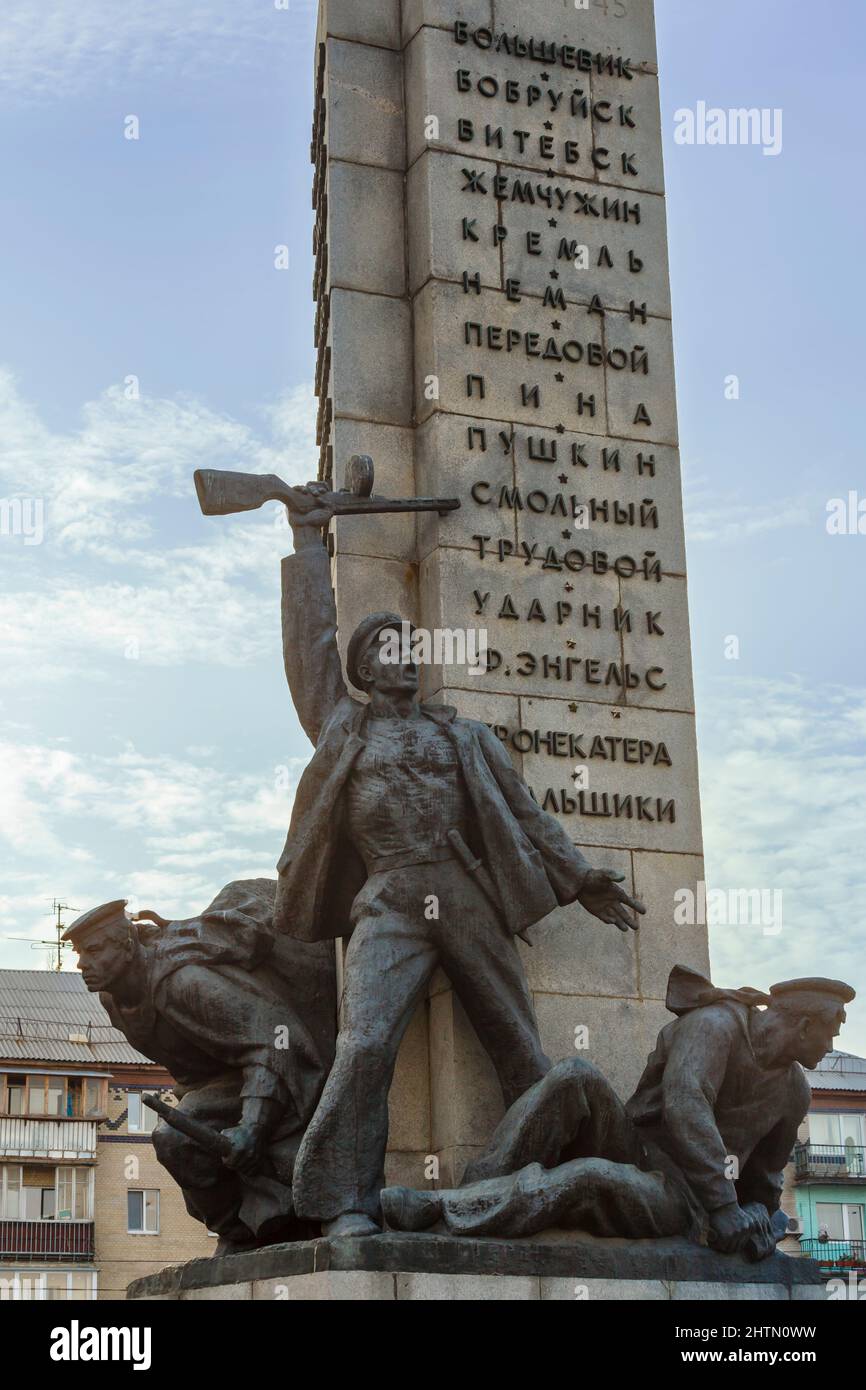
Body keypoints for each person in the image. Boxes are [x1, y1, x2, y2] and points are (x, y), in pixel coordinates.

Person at [274, 483, 645, 1237]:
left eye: (410, 648)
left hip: (465, 891)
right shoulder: (343, 725)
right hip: (389, 897)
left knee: (517, 1039)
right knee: (366, 1044)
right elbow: (309, 644)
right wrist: (308, 544)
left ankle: (567, 1180)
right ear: (362, 668)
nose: (404, 657)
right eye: (386, 647)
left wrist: (579, 880)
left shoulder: (464, 737)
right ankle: (345, 1202)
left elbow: (526, 815)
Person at [381, 965, 856, 1260]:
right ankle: (477, 1195)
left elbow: (768, 1184)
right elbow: (686, 1103)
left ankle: (440, 1208)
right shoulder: (716, 1026)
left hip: (684, 1198)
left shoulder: (793, 1091)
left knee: (588, 1177)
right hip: (642, 1150)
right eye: (829, 1033)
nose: (830, 1046)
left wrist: (750, 1216)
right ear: (802, 1024)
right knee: (574, 1076)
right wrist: (727, 1206)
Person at [63, 880, 336, 1250]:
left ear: (126, 945)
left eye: (93, 951)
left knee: (173, 1139)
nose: (83, 964)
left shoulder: (184, 983)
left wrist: (253, 1127)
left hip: (283, 1067)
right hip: (225, 1080)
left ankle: (255, 1228)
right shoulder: (114, 999)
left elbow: (275, 1038)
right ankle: (239, 1233)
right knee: (177, 1141)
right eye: (80, 954)